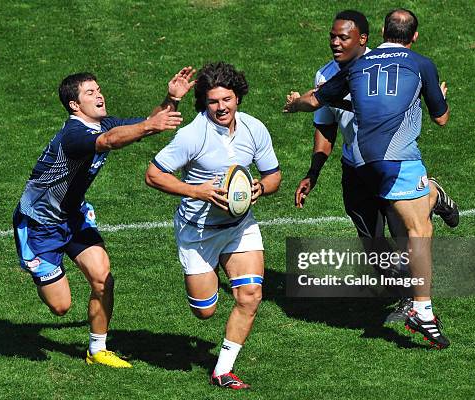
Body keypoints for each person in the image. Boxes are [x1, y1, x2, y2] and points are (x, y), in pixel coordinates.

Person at [284, 9, 452, 348]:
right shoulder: (334, 73)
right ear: (414, 37)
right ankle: (432, 195)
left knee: (412, 233)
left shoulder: (371, 66)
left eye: (343, 37)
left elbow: (312, 100)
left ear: (367, 37)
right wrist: (313, 171)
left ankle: (418, 306)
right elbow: (322, 115)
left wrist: (297, 103)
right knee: (377, 251)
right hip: (359, 170)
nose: (335, 42)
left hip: (394, 166)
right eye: (332, 36)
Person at [12, 67, 196, 368]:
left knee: (102, 278)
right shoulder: (73, 134)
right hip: (39, 225)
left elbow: (142, 125)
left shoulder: (103, 124)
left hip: (73, 215)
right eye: (90, 92)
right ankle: (40, 264)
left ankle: (97, 350)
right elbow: (110, 141)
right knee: (61, 307)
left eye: (99, 90)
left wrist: (171, 99)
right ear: (75, 105)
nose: (100, 95)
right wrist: (150, 125)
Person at [145, 62, 281, 389]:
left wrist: (259, 189)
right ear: (204, 103)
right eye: (213, 102)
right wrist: (197, 191)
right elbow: (153, 174)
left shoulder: (254, 129)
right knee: (204, 311)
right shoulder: (193, 135)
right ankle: (206, 272)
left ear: (238, 98)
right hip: (198, 231)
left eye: (227, 100)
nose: (221, 107)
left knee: (250, 295)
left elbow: (273, 175)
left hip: (239, 225)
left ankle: (223, 371)